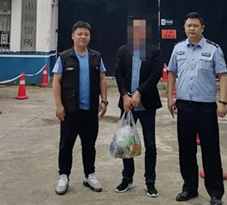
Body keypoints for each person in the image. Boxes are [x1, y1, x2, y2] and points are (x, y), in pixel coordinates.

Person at [167, 12, 227, 205]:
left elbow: (223, 76)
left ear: (202, 28)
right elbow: (171, 73)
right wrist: (170, 97)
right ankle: (189, 188)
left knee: (210, 150)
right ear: (184, 28)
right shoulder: (178, 49)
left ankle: (215, 193)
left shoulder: (213, 49)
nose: (192, 28)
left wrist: (223, 102)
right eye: (189, 26)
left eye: (195, 25)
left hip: (206, 108)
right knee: (186, 150)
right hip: (184, 106)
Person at [52, 20, 108, 196]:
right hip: (70, 111)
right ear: (73, 36)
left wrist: (104, 101)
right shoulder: (64, 57)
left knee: (89, 145)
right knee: (66, 145)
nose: (83, 37)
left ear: (90, 37)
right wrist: (59, 106)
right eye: (80, 34)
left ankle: (89, 175)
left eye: (86, 34)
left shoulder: (96, 57)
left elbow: (102, 79)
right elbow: (56, 81)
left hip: (90, 111)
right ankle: (63, 176)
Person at [113, 18, 162, 198]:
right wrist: (125, 94)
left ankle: (150, 182)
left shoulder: (154, 51)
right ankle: (127, 178)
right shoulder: (123, 50)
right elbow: (118, 73)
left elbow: (155, 74)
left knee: (150, 145)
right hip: (127, 105)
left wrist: (139, 92)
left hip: (147, 105)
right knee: (126, 143)